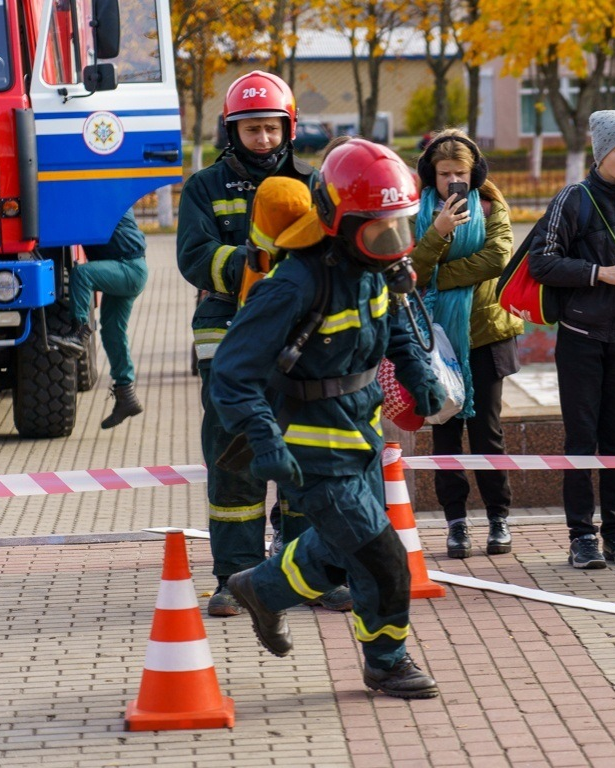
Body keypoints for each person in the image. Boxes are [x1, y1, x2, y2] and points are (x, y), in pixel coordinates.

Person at [210, 139, 447, 699]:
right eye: (379, 232)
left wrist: (420, 376)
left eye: (401, 229)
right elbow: (231, 372)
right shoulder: (296, 285)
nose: (394, 245)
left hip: (360, 434)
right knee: (383, 554)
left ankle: (263, 591)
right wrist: (263, 439)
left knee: (344, 550)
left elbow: (390, 332)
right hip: (311, 446)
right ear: (339, 225)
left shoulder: (374, 271)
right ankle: (387, 661)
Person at [176, 70, 348, 616]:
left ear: (289, 128)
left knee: (304, 454)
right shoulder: (204, 187)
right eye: (251, 130)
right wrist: (257, 273)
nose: (263, 140)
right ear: (233, 131)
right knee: (235, 456)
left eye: (272, 129)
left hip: (300, 336)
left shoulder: (316, 182)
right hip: (227, 333)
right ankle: (236, 577)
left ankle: (305, 574)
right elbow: (193, 256)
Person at [528, 110, 615, 569]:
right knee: (581, 440)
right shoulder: (574, 199)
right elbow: (540, 262)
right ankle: (582, 536)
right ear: (602, 152)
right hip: (580, 338)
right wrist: (598, 274)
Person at [410, 129, 524, 559]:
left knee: (487, 433)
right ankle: (455, 524)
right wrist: (438, 232)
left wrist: (439, 274)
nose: (453, 180)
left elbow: (497, 258)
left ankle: (499, 518)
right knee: (444, 433)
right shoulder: (415, 212)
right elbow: (409, 269)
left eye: (461, 172)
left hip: (486, 334)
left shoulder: (492, 205)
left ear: (474, 172)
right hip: (436, 339)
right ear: (431, 175)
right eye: (445, 174)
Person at [51, 210, 148, 428]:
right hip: (127, 266)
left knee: (81, 274)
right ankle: (126, 395)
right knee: (113, 331)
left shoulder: (106, 203)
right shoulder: (101, 200)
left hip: (128, 267)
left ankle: (79, 333)